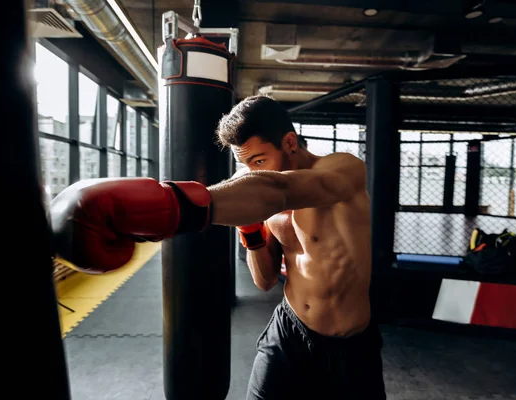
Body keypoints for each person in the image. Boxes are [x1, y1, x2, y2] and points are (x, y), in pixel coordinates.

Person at [49, 95, 386, 399]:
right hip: (290, 329)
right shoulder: (257, 191)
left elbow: (281, 189)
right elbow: (266, 279)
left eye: (259, 160)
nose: (251, 171)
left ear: (289, 142)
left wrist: (170, 205)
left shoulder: (342, 170)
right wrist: (251, 232)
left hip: (348, 345)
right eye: (246, 164)